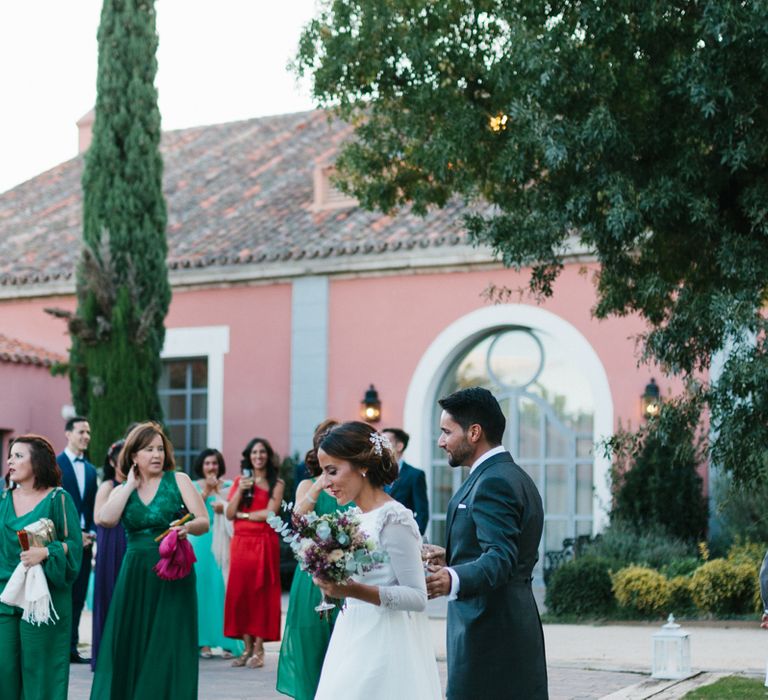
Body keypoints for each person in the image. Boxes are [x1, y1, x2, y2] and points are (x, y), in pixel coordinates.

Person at [425, 387, 548, 699]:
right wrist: (451, 558)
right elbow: (495, 548)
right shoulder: (509, 475)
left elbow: (501, 557)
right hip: (504, 625)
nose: (441, 441)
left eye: (446, 432)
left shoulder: (494, 481)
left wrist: (451, 578)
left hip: (491, 632)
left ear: (474, 432)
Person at [313, 422, 441, 699]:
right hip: (350, 633)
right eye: (324, 473)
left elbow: (417, 596)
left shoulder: (394, 517)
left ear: (362, 466)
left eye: (332, 471)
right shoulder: (354, 518)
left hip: (385, 641)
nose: (325, 483)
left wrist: (352, 590)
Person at [90, 422, 209, 700]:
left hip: (173, 572)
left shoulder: (178, 480)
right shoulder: (123, 488)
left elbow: (203, 521)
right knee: (134, 639)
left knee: (169, 642)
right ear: (134, 456)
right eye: (148, 450)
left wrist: (187, 528)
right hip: (135, 573)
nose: (156, 455)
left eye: (160, 448)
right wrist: (130, 485)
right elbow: (105, 519)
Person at [0, 434, 83, 700]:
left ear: (37, 462)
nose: (11, 461)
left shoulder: (58, 499)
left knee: (40, 669)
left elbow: (74, 544)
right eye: (10, 456)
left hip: (43, 600)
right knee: (4, 668)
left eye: (19, 456)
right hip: (5, 597)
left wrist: (46, 552)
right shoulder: (3, 501)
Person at [277, 419, 352, 700]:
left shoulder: (355, 484)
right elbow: (297, 520)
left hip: (350, 575)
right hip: (313, 577)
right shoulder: (309, 484)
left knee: (344, 651)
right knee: (311, 646)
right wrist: (321, 482)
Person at [225, 437, 285, 669]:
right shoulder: (241, 481)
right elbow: (229, 512)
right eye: (254, 452)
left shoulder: (276, 483)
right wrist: (240, 492)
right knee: (241, 593)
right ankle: (246, 647)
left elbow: (270, 514)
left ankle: (259, 649)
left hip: (264, 543)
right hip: (241, 543)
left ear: (268, 456)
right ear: (248, 457)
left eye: (262, 452)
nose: (258, 456)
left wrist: (244, 515)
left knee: (261, 593)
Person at [189, 447, 241, 659]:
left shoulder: (229, 486)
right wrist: (206, 492)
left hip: (223, 539)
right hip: (201, 539)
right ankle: (203, 642)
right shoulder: (193, 486)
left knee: (224, 589)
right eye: (207, 463)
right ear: (201, 466)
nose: (211, 467)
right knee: (202, 589)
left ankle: (228, 641)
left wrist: (219, 492)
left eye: (215, 463)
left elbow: (233, 511)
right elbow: (191, 512)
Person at [56, 415, 97, 663]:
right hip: (62, 541)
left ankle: (71, 648)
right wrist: (72, 534)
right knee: (62, 594)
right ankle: (59, 647)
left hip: (86, 542)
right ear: (68, 434)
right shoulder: (55, 465)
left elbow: (90, 507)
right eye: (81, 432)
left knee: (79, 596)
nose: (86, 437)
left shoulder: (91, 470)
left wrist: (90, 532)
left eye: (88, 433)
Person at [90, 439, 128, 671]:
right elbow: (97, 518)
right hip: (111, 542)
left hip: (129, 541)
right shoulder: (107, 485)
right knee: (110, 593)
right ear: (113, 461)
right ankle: (107, 654)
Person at [382, 427, 429, 535]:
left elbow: (422, 513)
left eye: (386, 442)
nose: (381, 446)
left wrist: (413, 537)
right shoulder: (376, 474)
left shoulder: (415, 475)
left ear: (399, 446)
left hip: (403, 536)